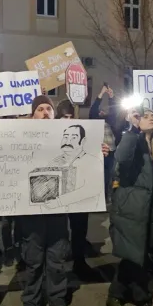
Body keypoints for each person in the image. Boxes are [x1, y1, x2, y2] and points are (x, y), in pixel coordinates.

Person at [15, 95, 109, 306]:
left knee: (56, 258)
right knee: (34, 260)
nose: (45, 112)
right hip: (30, 213)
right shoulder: (19, 136)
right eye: (40, 109)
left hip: (57, 213)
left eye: (49, 108)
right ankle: (31, 304)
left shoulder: (63, 143)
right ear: (33, 114)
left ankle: (57, 301)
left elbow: (81, 163)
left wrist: (99, 153)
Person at [106, 105, 153, 306]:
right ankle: (143, 300)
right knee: (136, 254)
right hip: (132, 206)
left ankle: (115, 294)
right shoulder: (131, 138)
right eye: (146, 116)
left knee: (140, 253)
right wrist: (134, 129)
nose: (151, 119)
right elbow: (122, 157)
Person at [57, 100, 100, 281]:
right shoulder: (47, 134)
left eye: (70, 117)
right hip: (58, 190)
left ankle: (79, 262)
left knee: (80, 227)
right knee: (58, 231)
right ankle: (57, 267)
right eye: (63, 117)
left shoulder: (81, 134)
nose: (67, 120)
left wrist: (101, 151)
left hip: (78, 189)